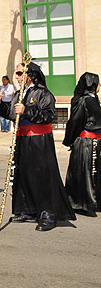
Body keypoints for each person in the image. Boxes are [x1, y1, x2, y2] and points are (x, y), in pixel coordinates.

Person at [0, 62, 75, 231]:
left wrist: (27, 111)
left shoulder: (43, 93)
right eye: (17, 73)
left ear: (31, 75)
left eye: (20, 73)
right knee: (23, 174)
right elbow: (10, 112)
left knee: (42, 177)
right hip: (22, 139)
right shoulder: (18, 94)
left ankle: (48, 214)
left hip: (39, 140)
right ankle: (27, 210)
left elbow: (48, 115)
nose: (17, 76)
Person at [63, 72, 101, 216]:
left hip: (95, 141)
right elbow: (75, 122)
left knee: (93, 173)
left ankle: (93, 202)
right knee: (83, 173)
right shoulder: (84, 100)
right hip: (86, 142)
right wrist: (70, 140)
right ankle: (82, 203)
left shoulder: (94, 99)